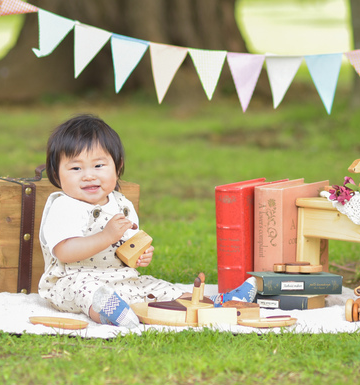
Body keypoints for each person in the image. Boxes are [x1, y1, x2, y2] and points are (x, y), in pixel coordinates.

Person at [38, 114, 257, 328]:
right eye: (76, 168)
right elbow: (64, 252)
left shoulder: (121, 204)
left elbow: (128, 248)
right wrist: (106, 236)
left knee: (158, 288)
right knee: (87, 291)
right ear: (56, 174)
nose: (88, 175)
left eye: (98, 166)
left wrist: (140, 255)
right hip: (73, 278)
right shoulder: (64, 206)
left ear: (117, 166)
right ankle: (109, 313)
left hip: (121, 278)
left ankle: (222, 302)